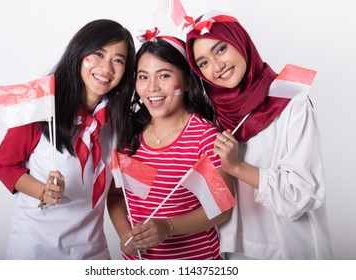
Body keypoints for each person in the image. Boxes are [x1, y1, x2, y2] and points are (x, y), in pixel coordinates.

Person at [184, 10, 333, 259]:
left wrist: (237, 167)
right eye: (203, 63)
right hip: (231, 253)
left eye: (220, 49)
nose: (217, 67)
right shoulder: (210, 113)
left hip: (289, 251)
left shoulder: (291, 103)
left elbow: (303, 193)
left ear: (240, 41)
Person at [0, 19, 135, 259]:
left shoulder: (118, 121)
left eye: (118, 60)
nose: (107, 68)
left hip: (92, 252)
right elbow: (3, 165)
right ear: (79, 52)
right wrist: (42, 191)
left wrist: (126, 234)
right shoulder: (40, 108)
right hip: (34, 251)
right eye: (98, 54)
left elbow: (115, 191)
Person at [107, 28, 235, 260]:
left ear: (186, 82)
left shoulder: (204, 137)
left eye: (164, 76)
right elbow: (117, 196)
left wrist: (168, 227)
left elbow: (221, 207)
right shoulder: (129, 134)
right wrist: (123, 232)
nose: (152, 88)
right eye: (143, 77)